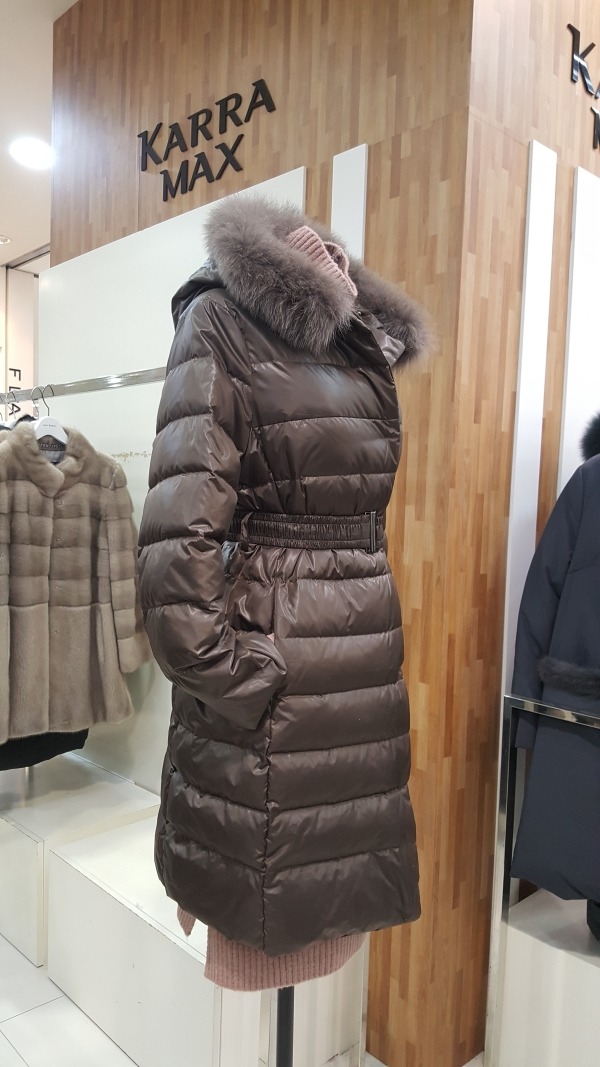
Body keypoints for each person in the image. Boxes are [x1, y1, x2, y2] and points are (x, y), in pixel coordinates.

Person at [138, 194, 431, 990]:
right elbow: (175, 545)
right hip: (274, 678)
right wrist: (235, 674)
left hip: (357, 675)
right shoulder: (223, 321)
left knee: (332, 883)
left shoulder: (359, 335)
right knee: (268, 898)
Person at [512, 411, 600, 941]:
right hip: (583, 717)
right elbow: (541, 597)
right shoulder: (591, 484)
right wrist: (527, 717)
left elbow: (539, 600)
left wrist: (528, 721)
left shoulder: (590, 481)